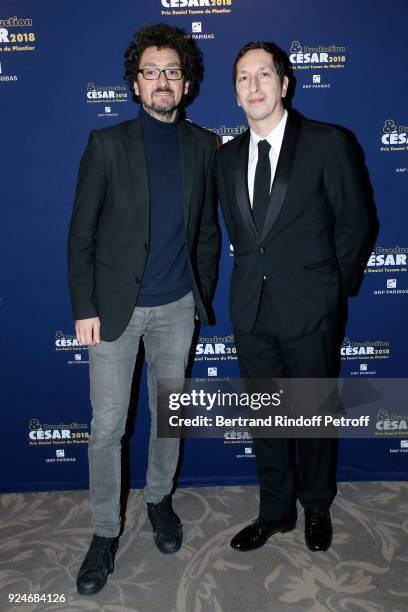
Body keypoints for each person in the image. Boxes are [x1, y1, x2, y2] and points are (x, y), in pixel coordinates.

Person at [68, 23, 219, 595]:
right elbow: (80, 235)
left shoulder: (204, 146)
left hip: (178, 308)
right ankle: (105, 532)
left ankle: (159, 501)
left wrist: (198, 291)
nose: (162, 81)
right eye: (151, 72)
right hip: (114, 313)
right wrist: (85, 306)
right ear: (135, 84)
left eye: (172, 72)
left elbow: (207, 230)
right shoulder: (105, 146)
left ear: (185, 85)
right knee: (107, 427)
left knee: (168, 418)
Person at [217, 42, 371, 554]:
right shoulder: (226, 157)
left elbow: (355, 222)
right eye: (243, 78)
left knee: (311, 416)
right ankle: (275, 511)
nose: (254, 86)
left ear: (285, 84)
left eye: (264, 75)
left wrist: (332, 287)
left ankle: (317, 505)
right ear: (236, 92)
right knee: (266, 418)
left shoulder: (328, 143)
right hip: (251, 311)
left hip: (311, 309)